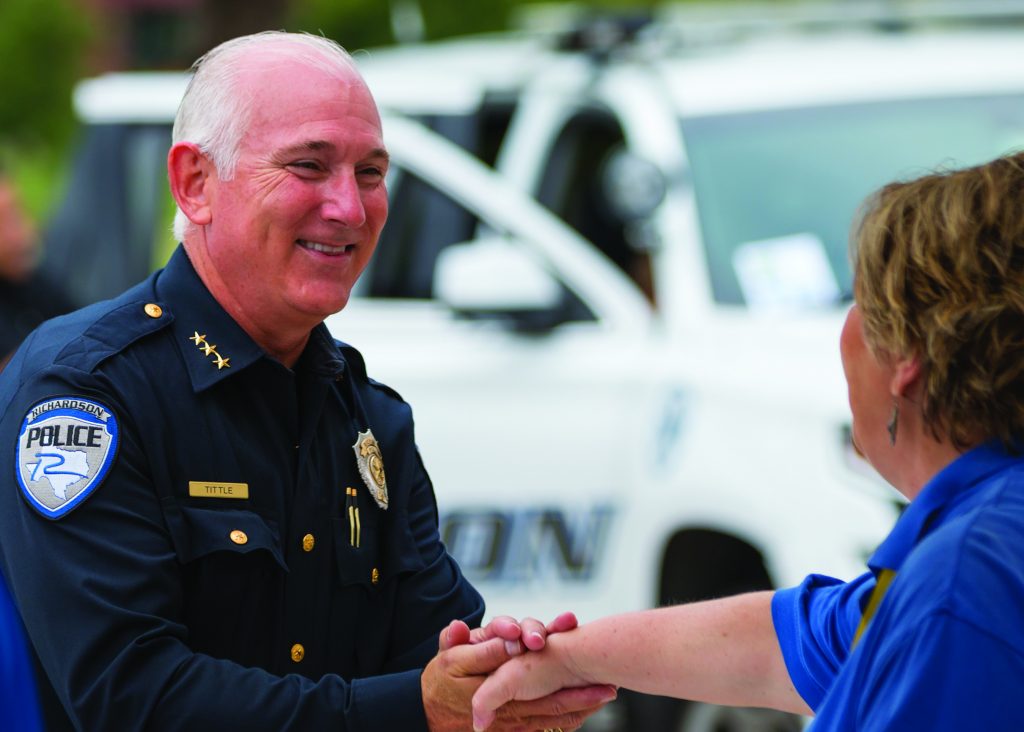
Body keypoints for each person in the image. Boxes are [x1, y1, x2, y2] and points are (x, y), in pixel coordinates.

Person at [0, 32, 614, 731]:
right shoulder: (85, 394)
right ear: (195, 183)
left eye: (372, 173)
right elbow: (131, 698)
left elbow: (434, 649)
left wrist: (503, 675)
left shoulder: (369, 418)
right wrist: (415, 709)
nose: (350, 208)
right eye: (308, 166)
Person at [471, 150, 1024, 731]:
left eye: (862, 302)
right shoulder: (977, 541)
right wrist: (565, 658)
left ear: (908, 359)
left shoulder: (962, 579)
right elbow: (783, 645)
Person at [0, 170, 73, 369]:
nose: (19, 235)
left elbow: (88, 324)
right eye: (2, 225)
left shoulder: (28, 279)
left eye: (16, 215)